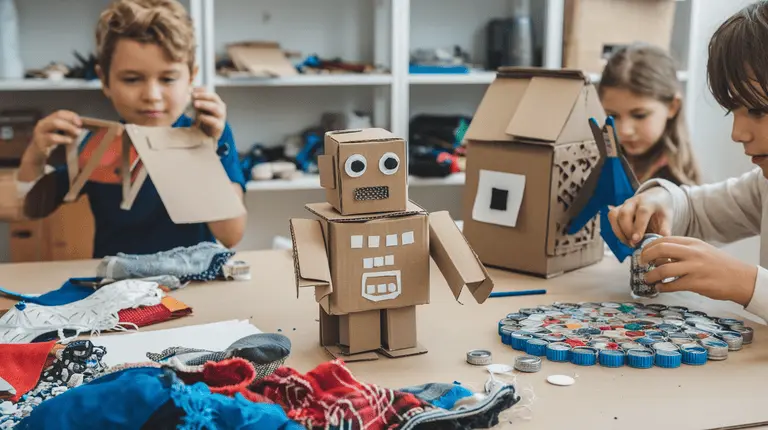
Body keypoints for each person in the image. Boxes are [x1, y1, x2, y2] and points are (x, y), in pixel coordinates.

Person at [16, 0, 247, 258]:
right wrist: (36, 152)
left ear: (191, 78)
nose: (152, 96)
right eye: (132, 79)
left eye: (168, 79)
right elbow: (32, 208)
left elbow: (231, 234)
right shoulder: (99, 144)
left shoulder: (212, 135)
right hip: (117, 287)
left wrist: (201, 153)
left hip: (190, 282)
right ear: (104, 80)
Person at [608, 1, 768, 322]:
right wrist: (660, 199)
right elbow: (696, 210)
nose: (737, 134)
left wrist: (747, 283)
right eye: (732, 111)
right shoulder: (763, 185)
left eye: (758, 111)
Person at [599, 43, 701, 186]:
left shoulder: (677, 185)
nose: (624, 131)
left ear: (672, 106)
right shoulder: (600, 161)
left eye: (639, 115)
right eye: (613, 116)